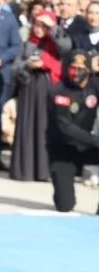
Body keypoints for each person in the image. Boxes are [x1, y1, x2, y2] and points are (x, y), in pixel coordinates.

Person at [47, 49, 99, 213]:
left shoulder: (95, 86)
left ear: (88, 70)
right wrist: (95, 140)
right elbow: (65, 128)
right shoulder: (58, 91)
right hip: (63, 150)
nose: (76, 73)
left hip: (88, 147)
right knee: (65, 205)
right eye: (72, 68)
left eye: (80, 69)